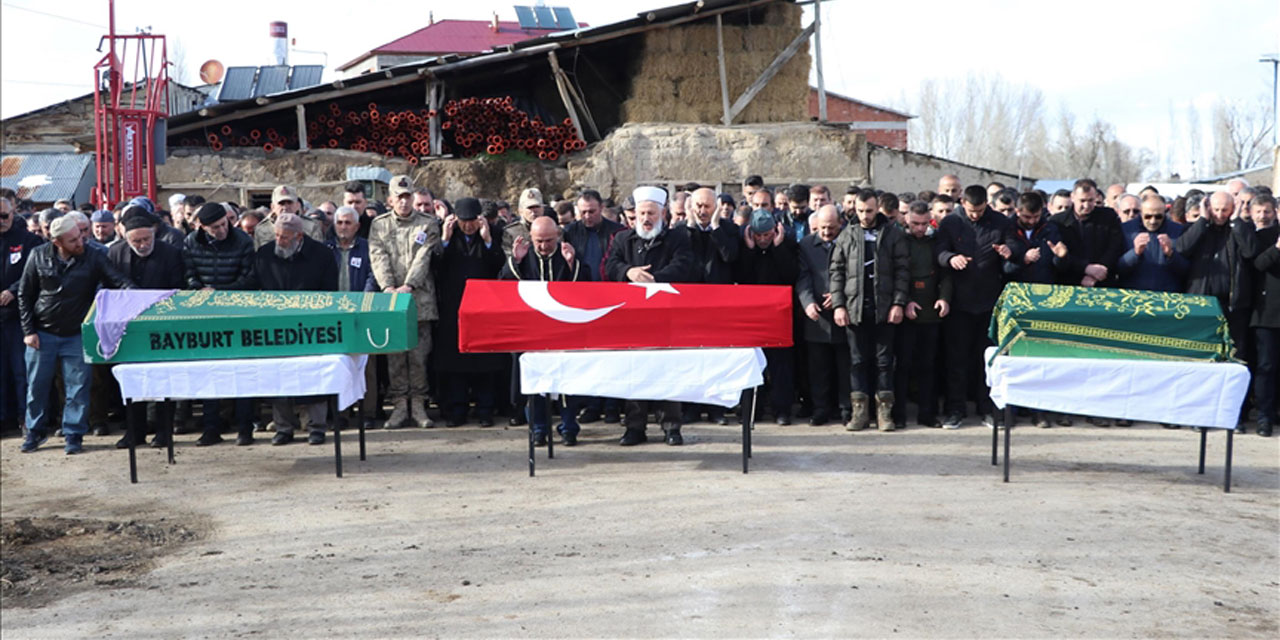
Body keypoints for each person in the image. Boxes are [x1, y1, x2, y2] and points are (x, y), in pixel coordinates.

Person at [18, 215, 132, 454]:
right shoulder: (38, 255)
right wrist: (29, 331)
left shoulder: (93, 256)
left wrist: (138, 296)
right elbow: (25, 294)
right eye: (73, 240)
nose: (80, 242)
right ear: (57, 242)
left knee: (78, 387)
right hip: (42, 332)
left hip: (77, 333)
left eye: (81, 236)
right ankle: (35, 432)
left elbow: (118, 281)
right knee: (36, 387)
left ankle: (74, 434)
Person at [604, 186, 693, 446]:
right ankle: (635, 427)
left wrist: (654, 281)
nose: (646, 218)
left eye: (651, 213)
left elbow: (684, 265)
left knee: (667, 372)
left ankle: (671, 427)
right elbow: (610, 266)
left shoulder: (678, 238)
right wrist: (629, 272)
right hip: (633, 319)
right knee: (635, 373)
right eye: (641, 213)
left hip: (667, 316)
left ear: (662, 214)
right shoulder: (623, 239)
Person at [499, 216, 590, 445]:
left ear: (558, 237)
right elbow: (504, 286)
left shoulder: (568, 253)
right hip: (532, 333)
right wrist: (515, 262)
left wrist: (571, 265)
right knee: (535, 384)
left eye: (549, 240)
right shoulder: (524, 256)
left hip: (563, 331)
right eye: (539, 241)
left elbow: (586, 288)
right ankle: (538, 429)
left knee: (567, 383)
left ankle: (569, 428)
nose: (543, 246)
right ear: (531, 238)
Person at [935, 185, 1018, 429]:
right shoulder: (951, 222)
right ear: (963, 203)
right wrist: (950, 258)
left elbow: (1015, 245)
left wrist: (1009, 250)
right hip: (959, 303)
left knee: (988, 359)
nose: (975, 215)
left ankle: (988, 409)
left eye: (980, 210)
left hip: (989, 303)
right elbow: (938, 251)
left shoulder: (999, 222)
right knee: (956, 360)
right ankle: (955, 410)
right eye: (971, 211)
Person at [255, 213, 339, 445]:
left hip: (311, 327)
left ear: (299, 237)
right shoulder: (265, 255)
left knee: (315, 376)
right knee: (279, 376)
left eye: (285, 238)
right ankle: (283, 427)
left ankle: (317, 427)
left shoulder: (321, 255)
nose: (279, 241)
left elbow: (330, 292)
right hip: (277, 328)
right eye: (277, 236)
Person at [1176, 190, 1258, 429]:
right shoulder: (1200, 228)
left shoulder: (1239, 227)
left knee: (1235, 360)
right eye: (1216, 209)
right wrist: (1202, 220)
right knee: (1203, 360)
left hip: (1234, 305)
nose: (1220, 215)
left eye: (1225, 210)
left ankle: (1235, 414)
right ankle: (1199, 414)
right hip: (1203, 305)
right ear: (1208, 208)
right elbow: (1182, 248)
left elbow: (1250, 251)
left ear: (1232, 209)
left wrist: (1237, 222)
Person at [830, 190, 908, 432]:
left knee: (885, 362)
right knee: (857, 362)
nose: (865, 216)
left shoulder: (893, 234)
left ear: (878, 209)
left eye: (870, 211)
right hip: (855, 308)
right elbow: (837, 271)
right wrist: (839, 304)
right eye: (861, 211)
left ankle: (884, 414)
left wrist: (898, 303)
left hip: (884, 308)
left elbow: (903, 271)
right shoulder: (847, 234)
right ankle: (860, 414)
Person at [369, 174, 440, 429]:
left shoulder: (427, 223)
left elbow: (424, 256)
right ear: (390, 199)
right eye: (399, 197)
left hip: (419, 300)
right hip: (391, 300)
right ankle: (400, 405)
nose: (404, 201)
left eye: (408, 196)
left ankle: (419, 404)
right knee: (396, 356)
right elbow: (377, 256)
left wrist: (409, 285)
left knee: (419, 356)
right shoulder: (379, 225)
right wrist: (388, 287)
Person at [108, 214, 185, 448]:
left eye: (146, 239)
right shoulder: (115, 253)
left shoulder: (170, 253)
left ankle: (163, 432)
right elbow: (112, 287)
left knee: (162, 380)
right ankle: (135, 432)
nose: (142, 245)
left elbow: (176, 289)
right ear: (126, 238)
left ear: (154, 233)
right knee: (132, 380)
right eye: (137, 241)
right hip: (128, 327)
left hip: (161, 325)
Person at [435, 197, 504, 429]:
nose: (468, 226)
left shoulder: (492, 233)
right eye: (464, 221)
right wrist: (444, 239)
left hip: (483, 307)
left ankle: (485, 409)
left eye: (472, 221)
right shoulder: (447, 234)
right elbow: (435, 266)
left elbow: (499, 266)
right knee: (456, 363)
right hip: (453, 307)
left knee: (483, 361)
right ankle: (457, 409)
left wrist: (487, 241)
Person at [735, 209, 798, 424]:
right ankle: (753, 409)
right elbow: (742, 278)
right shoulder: (745, 247)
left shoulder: (787, 245)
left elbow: (791, 275)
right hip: (752, 315)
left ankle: (782, 410)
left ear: (776, 231)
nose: (763, 240)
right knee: (753, 363)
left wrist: (779, 248)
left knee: (781, 365)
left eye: (767, 235)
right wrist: (750, 251)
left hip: (779, 314)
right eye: (758, 236)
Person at [892, 201, 951, 429]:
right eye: (915, 224)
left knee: (928, 366)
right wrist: (904, 301)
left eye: (924, 224)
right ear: (907, 220)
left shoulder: (935, 241)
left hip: (931, 311)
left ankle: (928, 413)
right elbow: (895, 274)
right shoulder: (900, 241)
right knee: (903, 366)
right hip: (906, 312)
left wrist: (944, 298)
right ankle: (898, 414)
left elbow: (945, 274)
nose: (920, 229)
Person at [796, 205, 850, 426]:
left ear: (840, 224)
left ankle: (846, 408)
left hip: (844, 313)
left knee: (846, 367)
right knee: (818, 369)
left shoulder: (849, 241)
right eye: (823, 228)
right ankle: (820, 409)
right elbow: (803, 277)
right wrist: (808, 303)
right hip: (817, 317)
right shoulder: (806, 245)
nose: (827, 232)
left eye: (831, 228)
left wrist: (840, 297)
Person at [1, 191, 42, 435]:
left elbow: (34, 273)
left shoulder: (28, 241)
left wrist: (13, 290)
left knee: (22, 372)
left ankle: (26, 419)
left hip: (19, 318)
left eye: (4, 215)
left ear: (13, 213)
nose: (0, 220)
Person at [1050, 179, 1124, 288]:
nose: (1086, 205)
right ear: (1073, 197)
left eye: (1091, 200)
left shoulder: (1108, 217)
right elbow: (1058, 254)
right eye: (1082, 200)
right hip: (1069, 282)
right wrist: (1085, 268)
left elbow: (1115, 247)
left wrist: (1097, 272)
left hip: (1102, 280)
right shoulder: (1057, 221)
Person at [1249, 195, 1278, 437]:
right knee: (1266, 366)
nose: (1263, 215)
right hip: (1266, 313)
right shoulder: (1259, 236)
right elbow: (1258, 263)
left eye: (1267, 211)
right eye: (1260, 211)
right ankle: (1264, 417)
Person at [1117, 195, 1187, 292]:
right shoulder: (1125, 230)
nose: (1153, 221)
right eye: (1148, 216)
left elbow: (1187, 270)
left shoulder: (1178, 231)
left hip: (1168, 295)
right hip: (1133, 294)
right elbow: (1117, 268)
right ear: (1141, 213)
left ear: (1164, 213)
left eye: (1158, 216)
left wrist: (1171, 254)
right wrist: (1135, 253)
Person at [253, 185, 324, 249]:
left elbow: (318, 254)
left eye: (289, 203)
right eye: (281, 203)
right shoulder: (262, 229)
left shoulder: (311, 226)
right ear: (272, 207)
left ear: (297, 205)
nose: (285, 207)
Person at [502, 187, 546, 257]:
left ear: (543, 209)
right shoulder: (510, 232)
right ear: (520, 210)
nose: (534, 211)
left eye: (537, 207)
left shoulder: (553, 230)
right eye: (530, 208)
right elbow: (508, 259)